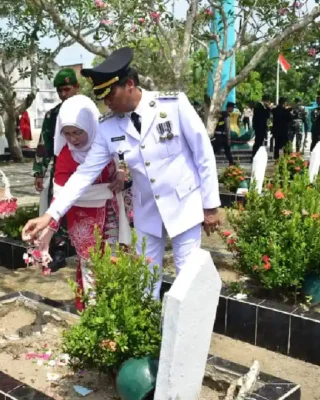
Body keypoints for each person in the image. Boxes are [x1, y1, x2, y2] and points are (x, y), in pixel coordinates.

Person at [21, 47, 221, 299]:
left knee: (187, 277)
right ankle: (150, 333)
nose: (106, 102)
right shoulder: (108, 127)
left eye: (110, 94)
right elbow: (83, 175)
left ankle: (187, 337)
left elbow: (203, 153)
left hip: (183, 205)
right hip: (147, 209)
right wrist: (50, 215)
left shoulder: (173, 105)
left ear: (129, 84)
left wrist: (210, 206)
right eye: (101, 96)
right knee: (146, 280)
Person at [34, 95, 131, 311]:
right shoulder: (66, 156)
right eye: (67, 134)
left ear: (91, 126)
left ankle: (115, 308)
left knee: (114, 257)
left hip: (111, 211)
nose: (74, 139)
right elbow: (60, 195)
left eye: (78, 132)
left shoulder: (104, 142)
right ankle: (92, 312)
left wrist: (122, 172)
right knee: (90, 261)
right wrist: (46, 235)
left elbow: (125, 158)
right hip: (82, 214)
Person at [32, 68, 80, 269]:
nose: (63, 94)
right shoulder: (53, 115)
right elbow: (44, 145)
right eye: (60, 90)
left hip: (87, 169)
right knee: (57, 209)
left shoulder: (87, 110)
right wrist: (39, 172)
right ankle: (59, 251)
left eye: (67, 89)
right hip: (61, 170)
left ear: (77, 88)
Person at [252, 95, 271, 159]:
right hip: (259, 127)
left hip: (261, 127)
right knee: (258, 142)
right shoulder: (259, 106)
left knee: (259, 142)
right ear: (266, 101)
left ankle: (256, 156)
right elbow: (265, 115)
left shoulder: (261, 107)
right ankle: (254, 156)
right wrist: (268, 108)